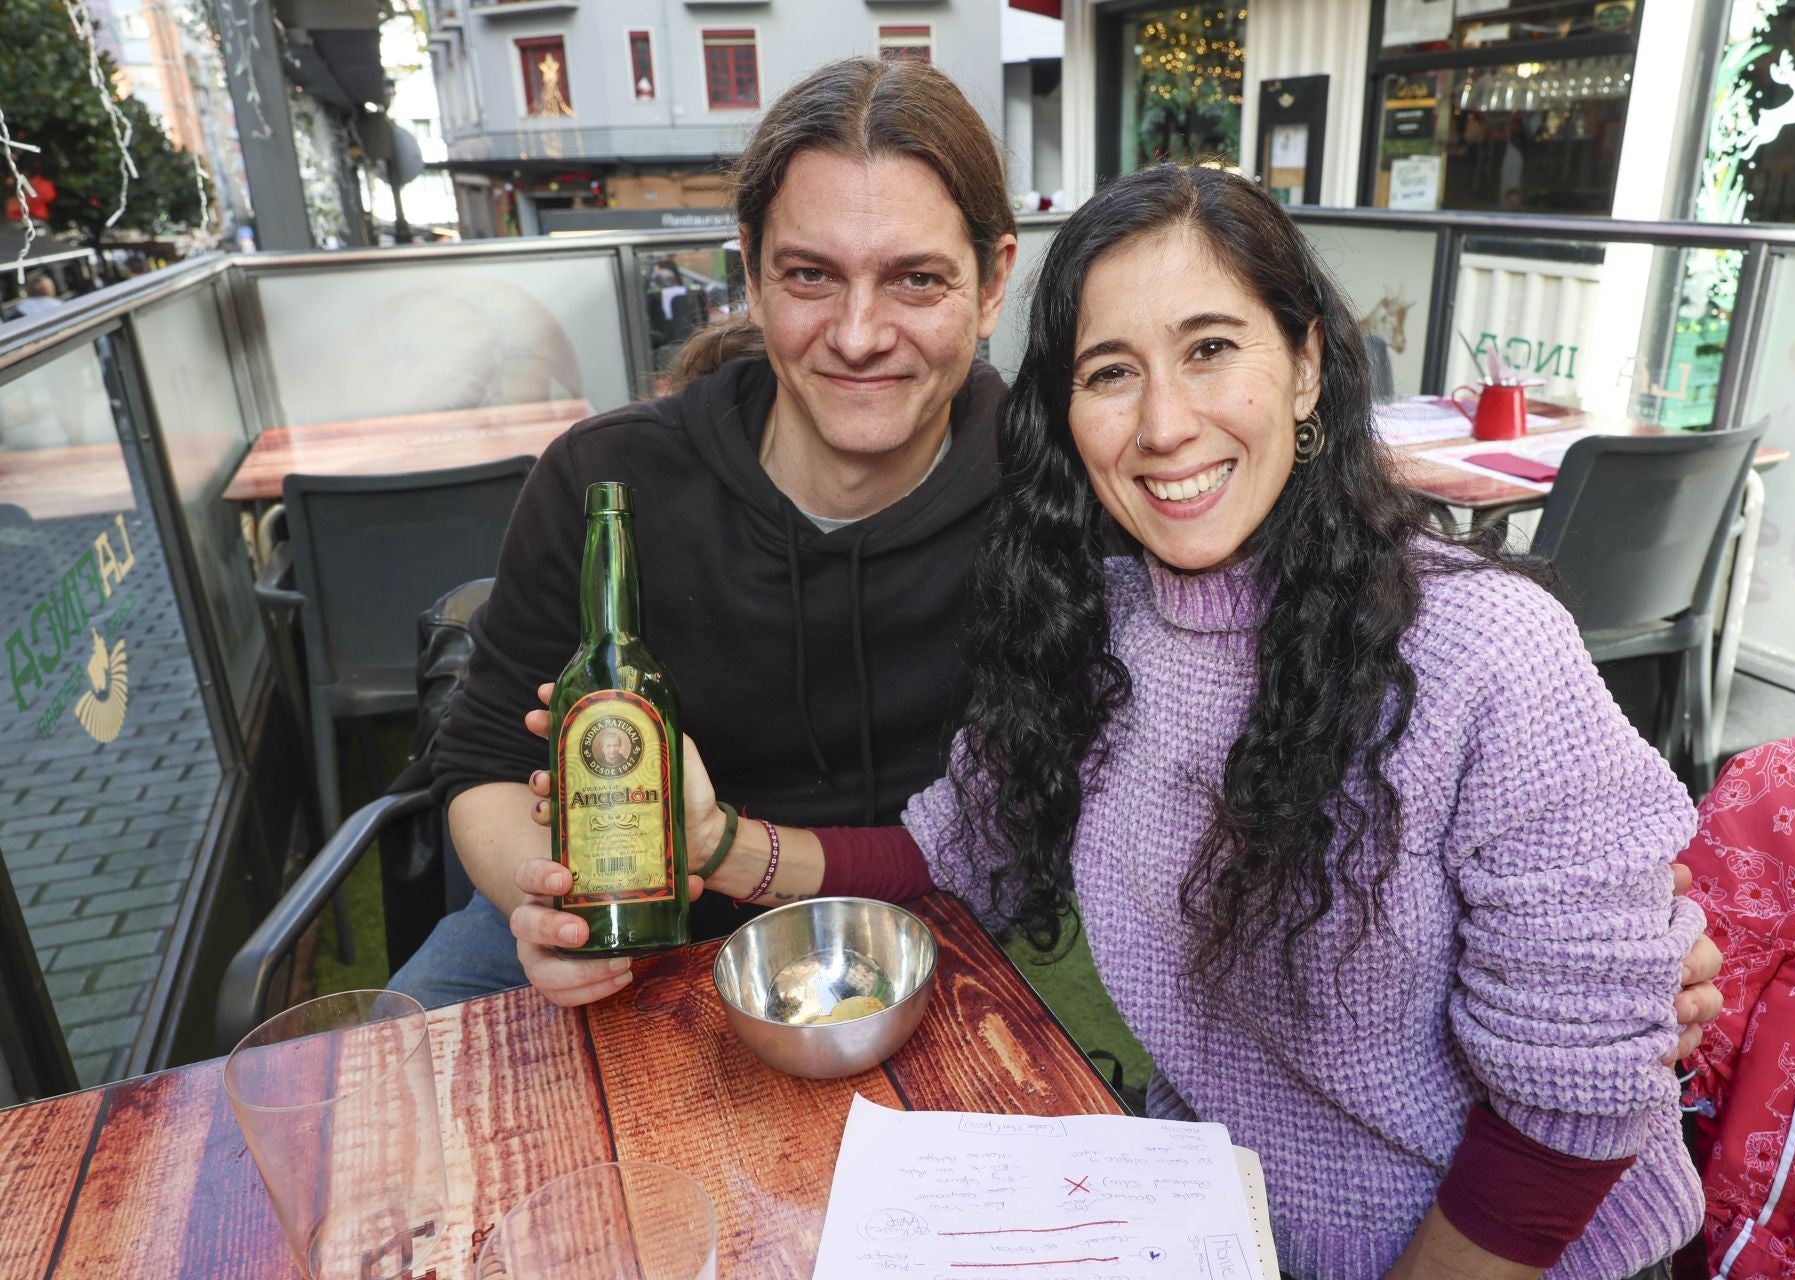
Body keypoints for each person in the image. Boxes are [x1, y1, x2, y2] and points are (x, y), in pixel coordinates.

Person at [527, 165, 1715, 1279]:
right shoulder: (1105, 620)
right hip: (1223, 1222)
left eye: (1210, 349)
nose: (1163, 425)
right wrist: (719, 840)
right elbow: (959, 850)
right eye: (1110, 371)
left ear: (1305, 367)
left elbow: (1571, 1103)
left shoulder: (1487, 651)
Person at [390, 56, 1020, 1010]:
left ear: (991, 284)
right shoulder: (606, 482)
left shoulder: (1048, 498)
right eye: (811, 275)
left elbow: (1014, 833)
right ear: (752, 274)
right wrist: (550, 908)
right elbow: (478, 762)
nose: (858, 334)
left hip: (899, 928)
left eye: (915, 280)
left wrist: (720, 848)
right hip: (614, 908)